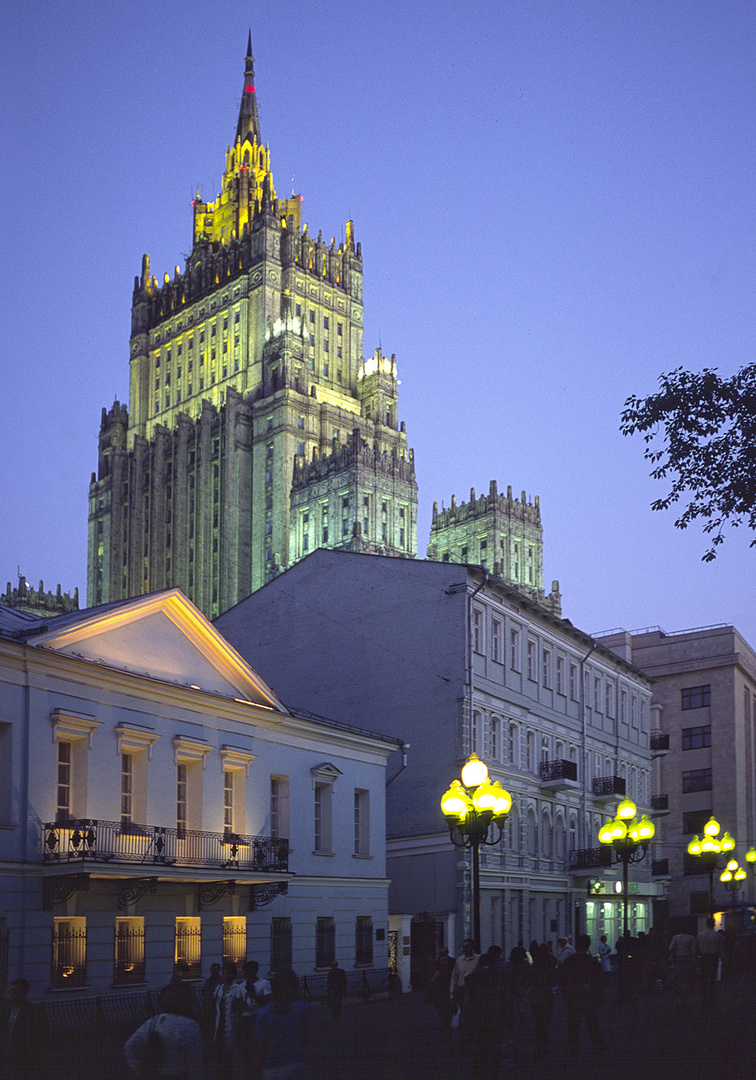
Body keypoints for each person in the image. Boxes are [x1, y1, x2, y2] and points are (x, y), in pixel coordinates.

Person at [124, 986, 203, 1080]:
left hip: (153, 1073)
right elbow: (194, 1060)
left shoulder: (152, 1022)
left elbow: (130, 1046)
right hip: (178, 1073)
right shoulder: (190, 1025)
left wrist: (138, 1069)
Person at [253, 968, 310, 1080]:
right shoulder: (304, 1009)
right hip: (293, 1065)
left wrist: (255, 1071)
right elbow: (304, 1039)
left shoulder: (263, 1014)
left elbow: (260, 1048)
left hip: (270, 1067)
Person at [557, 934, 603, 1060]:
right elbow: (598, 981)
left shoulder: (569, 961)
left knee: (573, 1024)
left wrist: (566, 992)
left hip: (573, 996)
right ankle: (597, 1046)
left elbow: (562, 979)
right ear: (588, 945)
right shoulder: (592, 962)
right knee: (592, 1022)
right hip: (588, 997)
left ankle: (574, 1049)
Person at [0, 978, 46, 1080]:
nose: (12, 993)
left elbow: (40, 1038)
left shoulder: (34, 1012)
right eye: (11, 990)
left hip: (23, 1058)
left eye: (15, 991)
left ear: (23, 993)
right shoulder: (6, 1010)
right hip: (7, 1055)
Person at [232, 959, 272, 1070]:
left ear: (254, 971)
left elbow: (268, 1001)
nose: (245, 973)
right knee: (245, 1044)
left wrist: (254, 995)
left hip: (258, 1016)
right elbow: (237, 1003)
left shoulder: (264, 984)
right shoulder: (242, 986)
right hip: (246, 1017)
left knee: (258, 1042)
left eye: (247, 971)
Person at [528, 943, 557, 1060]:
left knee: (538, 1021)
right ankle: (543, 1041)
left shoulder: (534, 965)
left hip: (535, 996)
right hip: (547, 995)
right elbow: (554, 978)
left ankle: (540, 1043)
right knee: (545, 1020)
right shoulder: (549, 964)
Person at [424, 947, 456, 1031]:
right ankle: (445, 1024)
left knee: (446, 1009)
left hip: (446, 988)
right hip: (441, 990)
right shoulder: (443, 962)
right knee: (442, 1009)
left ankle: (445, 1024)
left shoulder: (451, 962)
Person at [449, 939, 480, 1023]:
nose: (465, 949)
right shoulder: (459, 960)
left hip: (472, 990)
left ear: (472, 947)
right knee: (461, 1011)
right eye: (463, 947)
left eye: (467, 946)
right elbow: (454, 976)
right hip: (460, 988)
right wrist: (452, 992)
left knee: (470, 1011)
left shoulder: (478, 959)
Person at [697, 917, 724, 1005]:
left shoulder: (700, 935)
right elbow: (720, 949)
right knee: (713, 979)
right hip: (713, 957)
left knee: (704, 979)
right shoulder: (718, 935)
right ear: (713, 924)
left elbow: (698, 948)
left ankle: (703, 998)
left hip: (704, 957)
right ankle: (712, 998)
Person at [668, 931, 697, 996]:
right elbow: (694, 950)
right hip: (687, 957)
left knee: (678, 975)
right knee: (687, 975)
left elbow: (670, 948)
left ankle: (678, 990)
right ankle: (686, 991)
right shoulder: (691, 938)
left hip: (678, 957)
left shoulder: (676, 937)